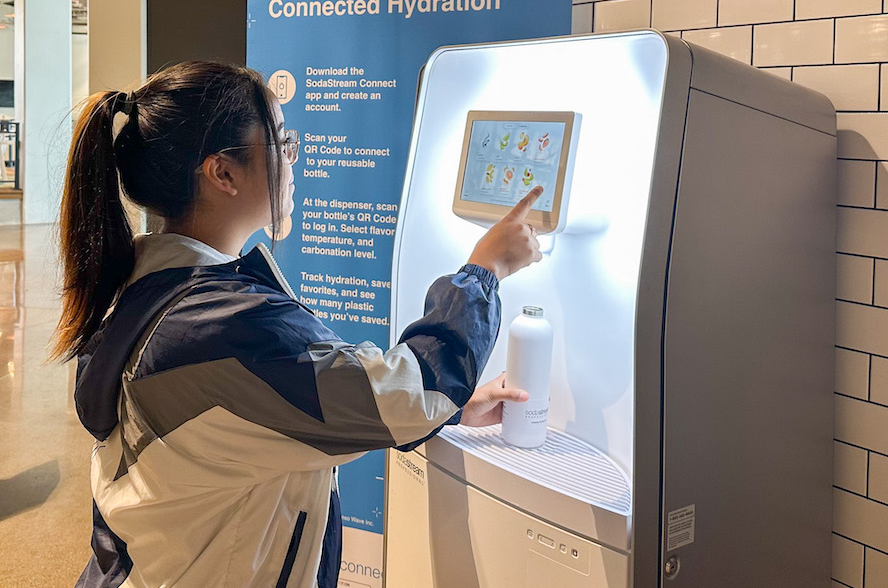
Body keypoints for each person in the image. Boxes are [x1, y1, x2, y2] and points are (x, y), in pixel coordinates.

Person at [54, 61, 543, 588]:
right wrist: (484, 272)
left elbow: (256, 414)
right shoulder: (223, 330)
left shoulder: (144, 289)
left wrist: (452, 407)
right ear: (223, 173)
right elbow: (404, 397)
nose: (294, 158)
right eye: (282, 142)